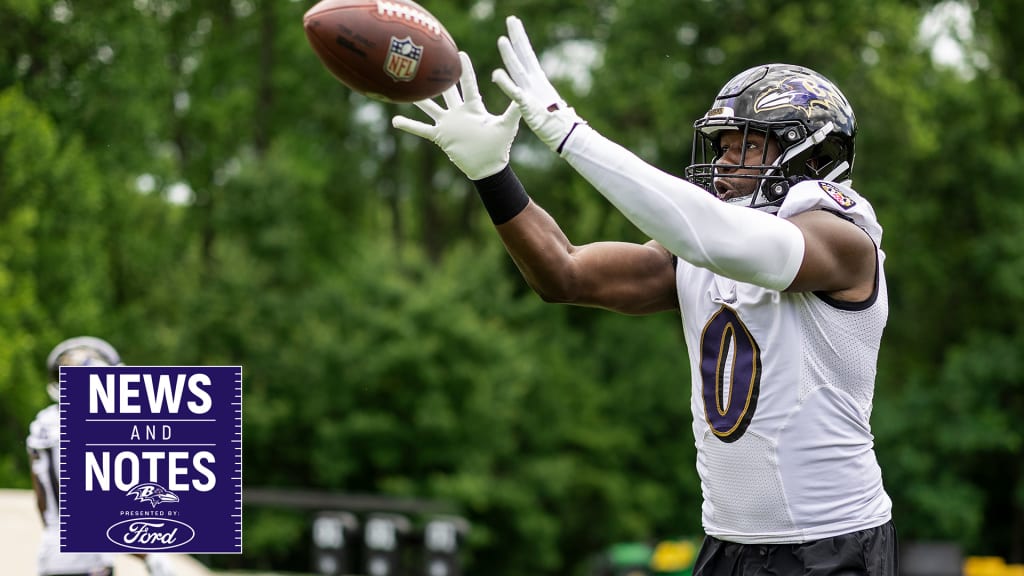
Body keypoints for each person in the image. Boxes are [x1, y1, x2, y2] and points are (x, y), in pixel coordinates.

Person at [392, 15, 897, 576]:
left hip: (831, 547)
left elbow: (718, 237)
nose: (724, 163)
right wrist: (493, 174)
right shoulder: (702, 246)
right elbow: (565, 274)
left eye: (745, 147)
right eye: (722, 146)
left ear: (813, 156)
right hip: (726, 543)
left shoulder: (842, 238)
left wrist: (568, 132)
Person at [27, 336, 175, 576]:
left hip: (50, 556)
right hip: (89, 561)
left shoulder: (42, 424)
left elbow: (43, 505)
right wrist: (150, 553)